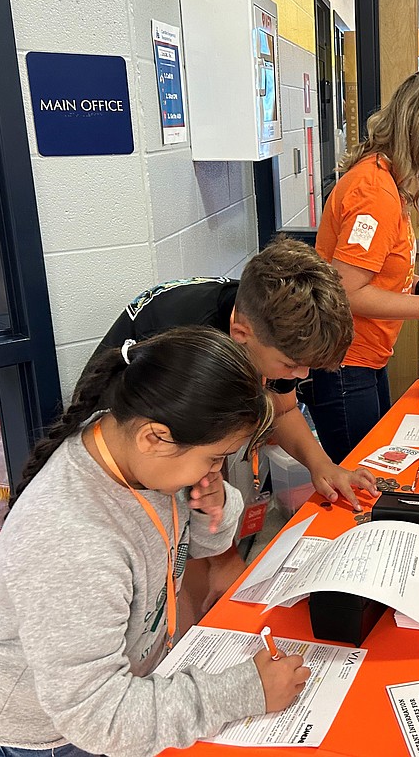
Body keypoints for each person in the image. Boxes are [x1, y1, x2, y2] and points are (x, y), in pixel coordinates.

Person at [0, 328, 312, 757]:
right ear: (154, 437)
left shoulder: (133, 450)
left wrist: (216, 504)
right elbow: (99, 717)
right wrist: (245, 691)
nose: (216, 469)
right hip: (32, 728)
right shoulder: (74, 541)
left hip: (104, 683)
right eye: (213, 458)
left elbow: (192, 546)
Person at [85, 237, 376, 620]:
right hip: (131, 454)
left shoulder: (267, 324)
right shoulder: (198, 353)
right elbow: (194, 483)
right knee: (174, 578)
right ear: (241, 335)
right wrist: (221, 561)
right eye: (291, 365)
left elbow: (284, 408)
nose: (300, 376)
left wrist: (322, 466)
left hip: (173, 443)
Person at [310, 70, 419, 463]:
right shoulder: (374, 193)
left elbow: (378, 273)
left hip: (366, 356)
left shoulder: (388, 182)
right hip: (344, 360)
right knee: (360, 474)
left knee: (373, 462)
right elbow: (346, 293)